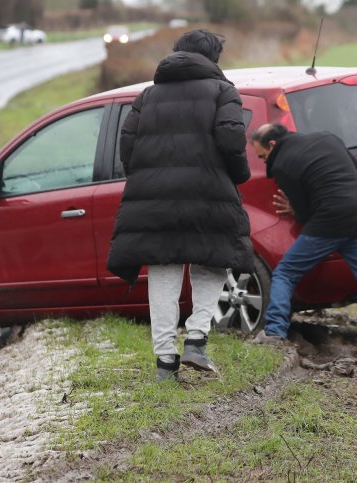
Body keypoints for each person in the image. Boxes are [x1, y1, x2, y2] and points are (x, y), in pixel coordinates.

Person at [107, 29, 254, 382]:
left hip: (154, 197)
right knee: (213, 259)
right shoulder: (223, 91)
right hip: (208, 191)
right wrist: (237, 176)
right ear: (213, 58)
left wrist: (146, 177)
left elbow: (127, 146)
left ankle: (164, 364)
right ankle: (197, 341)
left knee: (163, 271)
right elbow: (232, 140)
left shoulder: (148, 95)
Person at [249, 123, 357, 363]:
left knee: (284, 272)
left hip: (327, 224)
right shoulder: (326, 136)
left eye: (263, 157)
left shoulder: (282, 164)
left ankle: (274, 332)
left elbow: (304, 214)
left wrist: (294, 209)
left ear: (272, 145)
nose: (265, 162)